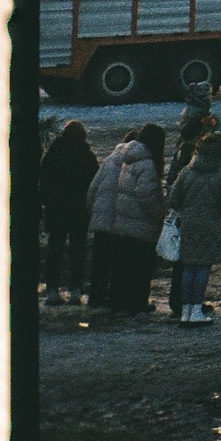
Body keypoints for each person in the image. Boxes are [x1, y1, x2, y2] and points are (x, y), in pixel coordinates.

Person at [84, 125, 164, 320]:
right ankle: (135, 302)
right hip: (135, 222)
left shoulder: (115, 159)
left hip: (111, 218)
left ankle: (105, 299)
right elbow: (147, 196)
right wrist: (158, 215)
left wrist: (93, 211)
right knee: (138, 266)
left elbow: (93, 188)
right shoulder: (146, 164)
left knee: (110, 264)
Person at [167, 131, 221, 326]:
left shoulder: (187, 170)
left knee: (189, 266)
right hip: (212, 224)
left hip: (189, 223)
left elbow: (174, 199)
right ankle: (197, 308)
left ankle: (186, 310)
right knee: (203, 267)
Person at [39, 120, 96, 306]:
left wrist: (47, 202)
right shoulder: (87, 156)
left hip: (57, 210)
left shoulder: (53, 154)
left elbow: (44, 181)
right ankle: (75, 290)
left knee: (55, 249)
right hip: (79, 211)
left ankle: (52, 290)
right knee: (77, 251)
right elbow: (93, 185)